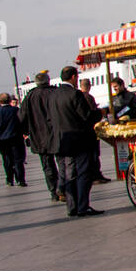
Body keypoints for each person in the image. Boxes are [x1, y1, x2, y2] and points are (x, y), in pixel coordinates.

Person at [52, 66, 103, 217]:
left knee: (69, 174)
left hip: (62, 141)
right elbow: (86, 117)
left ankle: (71, 206)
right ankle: (82, 206)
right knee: (83, 173)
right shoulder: (75, 94)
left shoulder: (53, 96)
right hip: (79, 140)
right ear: (74, 77)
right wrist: (100, 113)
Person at [18, 70, 64, 202]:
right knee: (62, 163)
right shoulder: (55, 92)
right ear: (48, 81)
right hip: (58, 134)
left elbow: (22, 117)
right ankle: (63, 188)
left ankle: (53, 192)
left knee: (47, 166)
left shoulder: (30, 97)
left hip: (39, 136)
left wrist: (26, 132)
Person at [0, 93, 27, 187]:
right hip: (16, 139)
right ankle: (20, 179)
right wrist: (25, 133)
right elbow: (23, 122)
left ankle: (9, 179)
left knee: (7, 160)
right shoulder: (16, 110)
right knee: (18, 160)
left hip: (3, 141)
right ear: (10, 100)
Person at [78, 78, 111, 183]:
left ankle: (90, 175)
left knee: (87, 155)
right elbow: (93, 113)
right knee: (94, 154)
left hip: (82, 132)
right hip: (91, 130)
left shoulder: (78, 96)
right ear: (89, 86)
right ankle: (96, 175)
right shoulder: (88, 97)